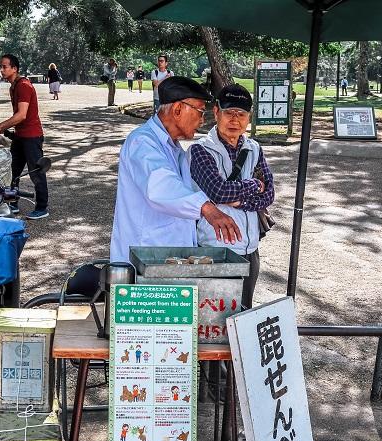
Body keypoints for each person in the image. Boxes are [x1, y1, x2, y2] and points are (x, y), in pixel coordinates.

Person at [109, 76, 241, 262]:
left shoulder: (174, 147)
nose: (202, 121)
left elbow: (184, 192)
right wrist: (207, 209)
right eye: (200, 112)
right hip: (144, 258)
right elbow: (161, 185)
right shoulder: (143, 142)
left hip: (166, 259)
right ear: (178, 109)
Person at [188, 84, 275, 308]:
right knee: (213, 321)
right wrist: (255, 184)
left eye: (241, 114)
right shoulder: (201, 150)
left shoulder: (254, 148)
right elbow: (218, 191)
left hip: (250, 249)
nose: (235, 120)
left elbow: (269, 195)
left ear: (249, 117)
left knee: (243, 315)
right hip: (215, 250)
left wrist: (238, 200)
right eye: (229, 112)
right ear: (216, 112)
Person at [0, 53, 49, 220]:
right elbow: (18, 115)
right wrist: (8, 131)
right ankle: (13, 201)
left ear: (14, 68)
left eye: (4, 67)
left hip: (32, 135)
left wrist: (0, 126)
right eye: (1, 66)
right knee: (13, 170)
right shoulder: (13, 87)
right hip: (20, 135)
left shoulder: (23, 85)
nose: (1, 70)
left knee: (36, 171)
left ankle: (42, 207)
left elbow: (22, 115)